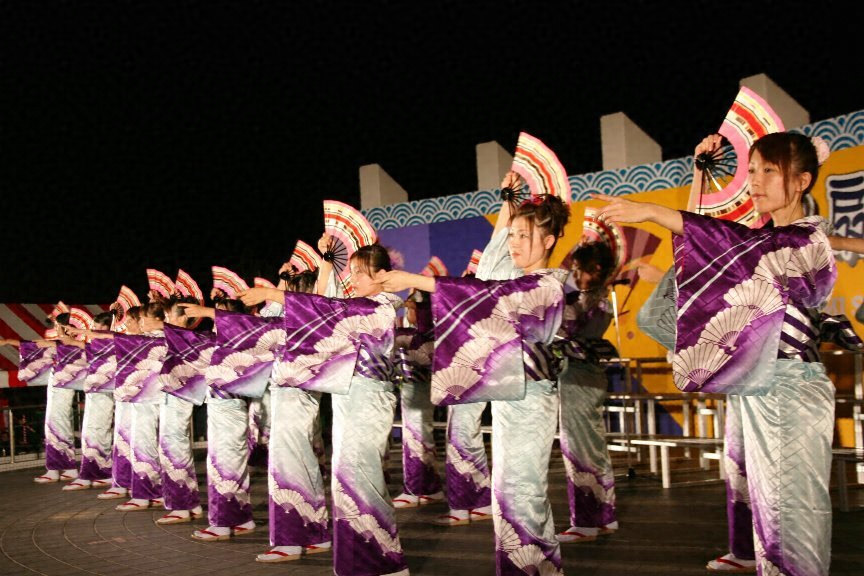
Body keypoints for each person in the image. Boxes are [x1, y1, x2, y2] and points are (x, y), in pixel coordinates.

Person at [595, 131, 839, 576]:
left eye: (769, 170)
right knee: (769, 505)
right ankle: (750, 554)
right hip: (761, 382)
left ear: (802, 181)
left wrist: (653, 211)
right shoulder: (764, 239)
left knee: (790, 514)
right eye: (751, 170)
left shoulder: (804, 241)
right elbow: (710, 259)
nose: (754, 181)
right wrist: (701, 175)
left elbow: (732, 247)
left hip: (788, 385)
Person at [378, 182, 571, 575]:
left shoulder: (548, 283)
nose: (514, 243)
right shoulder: (518, 281)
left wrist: (417, 280)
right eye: (513, 234)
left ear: (549, 240)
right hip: (512, 397)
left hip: (531, 397)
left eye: (524, 236)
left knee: (522, 491)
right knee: (510, 491)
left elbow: (485, 297)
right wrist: (507, 206)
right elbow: (487, 286)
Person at [243, 239, 409, 575]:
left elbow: (325, 308)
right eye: (352, 271)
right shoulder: (359, 305)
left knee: (362, 480)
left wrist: (273, 294)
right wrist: (326, 261)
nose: (353, 278)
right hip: (350, 400)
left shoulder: (381, 307)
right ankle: (363, 560)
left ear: (381, 275)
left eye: (360, 273)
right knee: (349, 481)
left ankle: (385, 562)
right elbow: (325, 304)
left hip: (368, 401)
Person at [238, 267, 333, 564]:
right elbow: (266, 319)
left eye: (293, 292)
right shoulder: (292, 318)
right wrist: (280, 284)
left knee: (288, 464)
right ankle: (315, 532)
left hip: (297, 394)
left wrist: (274, 291)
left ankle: (292, 539)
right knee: (301, 461)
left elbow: (312, 301)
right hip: (288, 395)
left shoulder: (315, 314)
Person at [555, 241, 620, 542]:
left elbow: (568, 331)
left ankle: (585, 522)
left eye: (580, 270)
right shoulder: (594, 298)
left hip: (580, 378)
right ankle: (605, 516)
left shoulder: (596, 301)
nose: (576, 274)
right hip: (583, 377)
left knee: (579, 448)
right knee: (592, 447)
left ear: (596, 270)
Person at [390, 289, 444, 509]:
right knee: (420, 437)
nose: (408, 313)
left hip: (418, 388)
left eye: (412, 309)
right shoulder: (422, 333)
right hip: (416, 388)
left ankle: (418, 489)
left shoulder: (421, 335)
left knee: (416, 438)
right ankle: (428, 488)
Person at [154, 295, 204, 524]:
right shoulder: (177, 338)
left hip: (178, 398)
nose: (165, 319)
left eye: (169, 314)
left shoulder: (188, 339)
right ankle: (189, 504)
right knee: (172, 447)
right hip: (172, 397)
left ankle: (183, 506)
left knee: (174, 447)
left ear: (183, 317)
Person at [114, 300, 167, 511]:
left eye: (143, 319)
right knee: (143, 443)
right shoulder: (151, 338)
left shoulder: (159, 338)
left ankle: (149, 492)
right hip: (145, 398)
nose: (141, 323)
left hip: (151, 399)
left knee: (145, 444)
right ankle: (149, 491)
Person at [63, 311, 117, 491]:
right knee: (91, 431)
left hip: (104, 390)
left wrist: (84, 333)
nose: (97, 329)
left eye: (102, 326)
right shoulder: (96, 343)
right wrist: (69, 337)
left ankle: (100, 472)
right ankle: (97, 471)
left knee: (98, 430)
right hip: (94, 390)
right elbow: (79, 344)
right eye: (95, 326)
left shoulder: (115, 341)